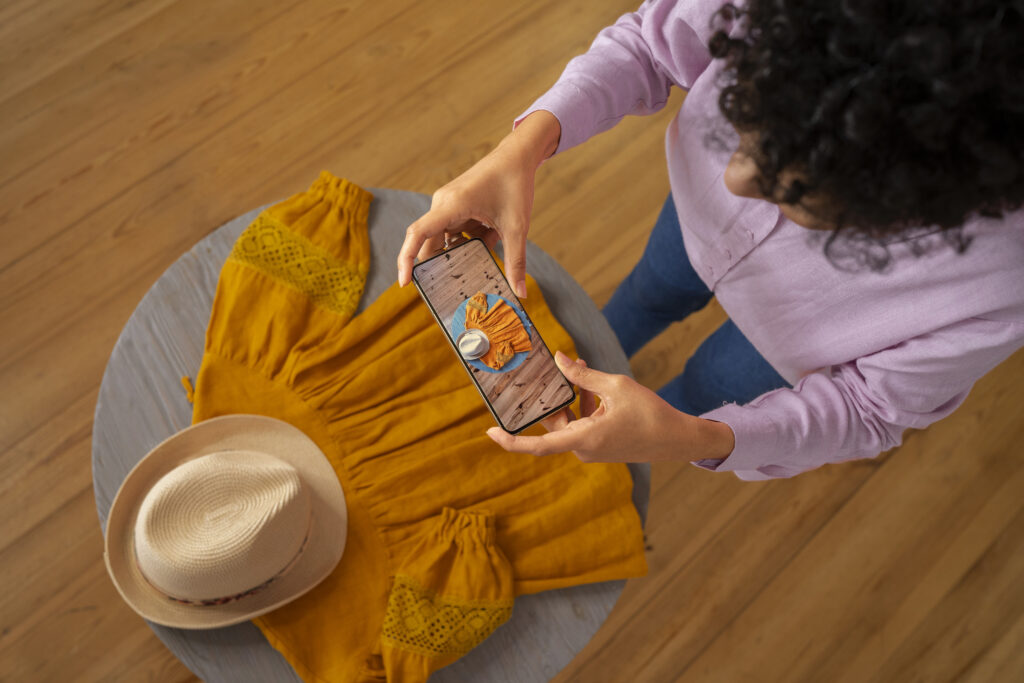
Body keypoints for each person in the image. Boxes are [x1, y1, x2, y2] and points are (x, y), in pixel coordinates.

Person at [397, 0, 1024, 480]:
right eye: (747, 121)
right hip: (691, 234)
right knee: (649, 291)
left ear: (900, 214)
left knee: (703, 389)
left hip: (789, 347)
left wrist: (686, 437)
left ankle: (624, 442)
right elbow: (649, 42)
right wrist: (525, 144)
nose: (733, 177)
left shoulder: (1004, 281)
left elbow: (869, 410)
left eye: (796, 187)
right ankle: (599, 370)